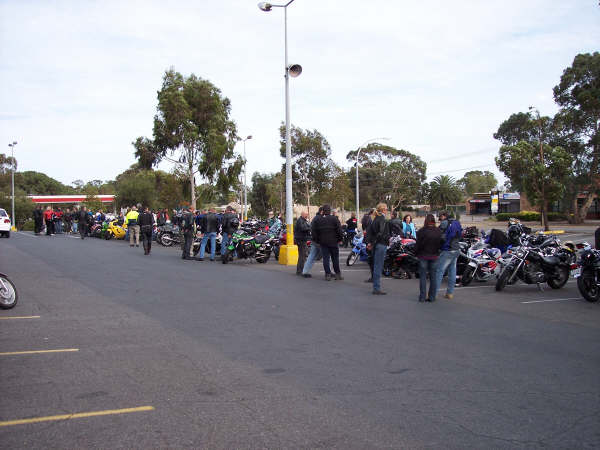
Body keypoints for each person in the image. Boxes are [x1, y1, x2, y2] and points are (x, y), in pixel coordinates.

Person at [415, 214, 443, 302]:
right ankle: (432, 297)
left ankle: (422, 296)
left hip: (423, 255)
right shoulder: (438, 231)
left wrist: (416, 253)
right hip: (434, 255)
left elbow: (418, 244)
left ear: (426, 221)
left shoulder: (421, 231)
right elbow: (441, 243)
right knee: (433, 277)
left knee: (423, 277)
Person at [312, 204, 343, 281]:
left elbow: (314, 231)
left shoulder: (318, 220)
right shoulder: (334, 219)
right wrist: (340, 239)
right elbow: (339, 230)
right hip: (334, 242)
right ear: (330, 211)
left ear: (323, 211)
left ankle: (327, 274)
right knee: (335, 258)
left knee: (326, 259)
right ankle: (337, 274)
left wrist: (317, 240)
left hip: (323, 242)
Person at [435, 213, 463, 300]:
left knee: (439, 271)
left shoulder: (445, 223)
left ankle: (433, 293)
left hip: (447, 250)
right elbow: (460, 234)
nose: (440, 219)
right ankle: (449, 293)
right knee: (452, 271)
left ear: (444, 216)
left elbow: (438, 234)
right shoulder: (457, 222)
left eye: (440, 217)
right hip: (456, 249)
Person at [366, 203, 390, 295]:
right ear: (383, 210)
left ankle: (376, 287)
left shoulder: (375, 219)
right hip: (381, 244)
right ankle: (376, 288)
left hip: (376, 244)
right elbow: (381, 233)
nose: (387, 211)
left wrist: (370, 242)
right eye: (386, 209)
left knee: (376, 266)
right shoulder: (382, 219)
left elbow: (369, 232)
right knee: (378, 266)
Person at [301, 207, 324, 278]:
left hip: (314, 240)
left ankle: (305, 271)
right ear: (321, 211)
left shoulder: (315, 218)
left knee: (311, 256)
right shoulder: (321, 219)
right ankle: (329, 272)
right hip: (320, 241)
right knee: (326, 256)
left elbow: (311, 228)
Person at [295, 210, 311, 275]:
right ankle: (299, 271)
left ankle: (300, 270)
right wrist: (309, 228)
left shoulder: (303, 220)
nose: (307, 215)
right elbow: (303, 228)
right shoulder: (300, 220)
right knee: (302, 256)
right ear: (302, 214)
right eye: (306, 214)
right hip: (300, 240)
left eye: (307, 214)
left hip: (302, 239)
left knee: (303, 255)